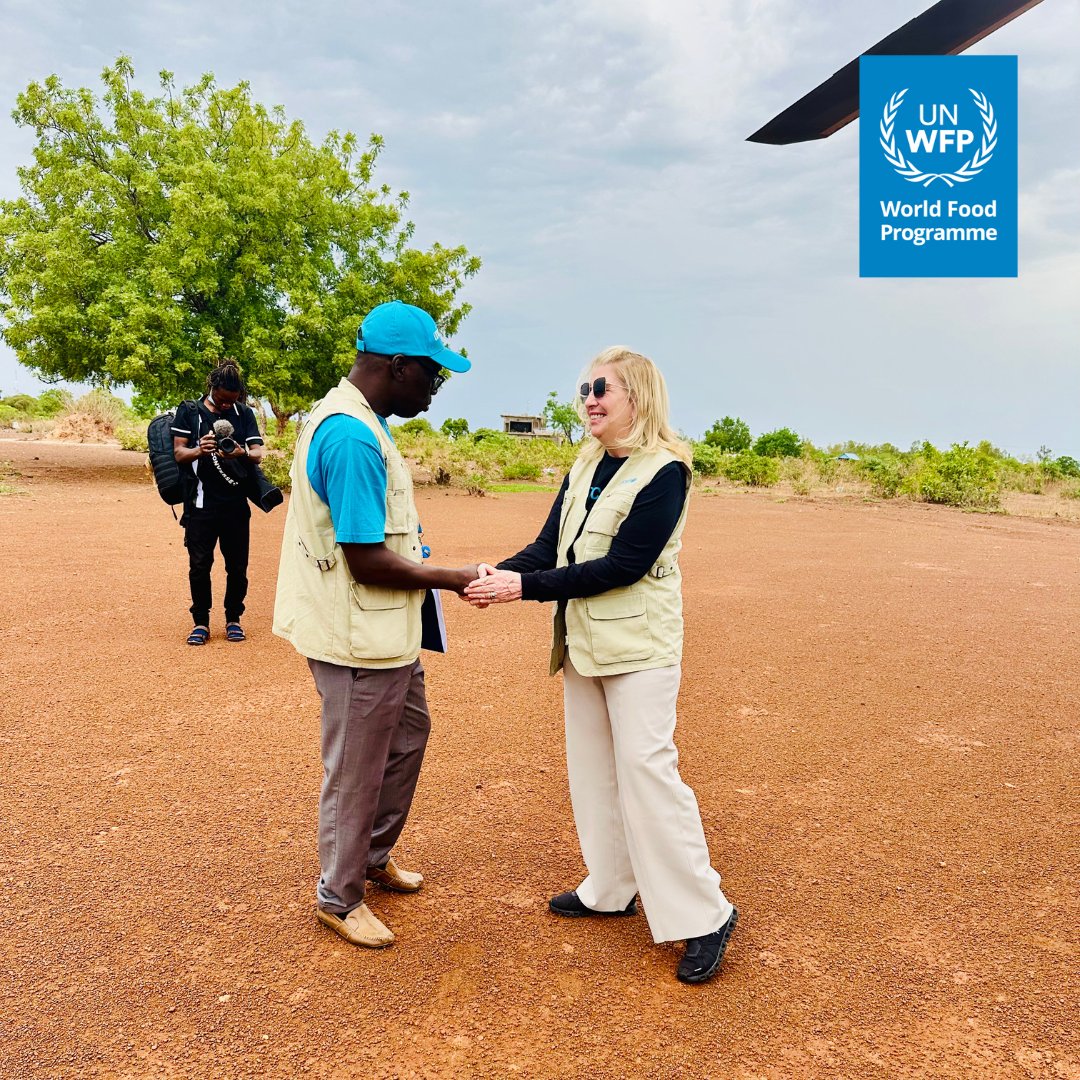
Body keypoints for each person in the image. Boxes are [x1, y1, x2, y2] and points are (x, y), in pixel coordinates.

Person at [465, 346, 738, 984]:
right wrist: (498, 575)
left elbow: (624, 567)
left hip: (639, 648)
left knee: (647, 773)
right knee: (592, 769)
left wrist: (521, 591)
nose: (589, 399)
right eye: (586, 388)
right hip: (584, 643)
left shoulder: (665, 470)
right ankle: (611, 887)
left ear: (637, 399)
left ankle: (706, 912)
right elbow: (547, 545)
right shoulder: (588, 459)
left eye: (603, 389)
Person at [273, 300, 478, 949]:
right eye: (432, 374)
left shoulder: (363, 423)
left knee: (408, 734)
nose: (435, 388)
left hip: (384, 632)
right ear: (397, 366)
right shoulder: (352, 437)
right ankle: (339, 895)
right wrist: (451, 576)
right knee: (356, 766)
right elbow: (365, 560)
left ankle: (370, 855)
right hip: (357, 634)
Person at [172, 358, 265, 645]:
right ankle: (200, 622)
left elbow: (258, 452)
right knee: (200, 566)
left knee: (237, 567)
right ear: (212, 388)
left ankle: (233, 619)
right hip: (200, 505)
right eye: (223, 400)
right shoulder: (189, 412)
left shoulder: (244, 413)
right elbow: (179, 454)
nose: (227, 406)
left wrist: (241, 453)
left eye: (233, 401)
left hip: (236, 505)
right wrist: (200, 449)